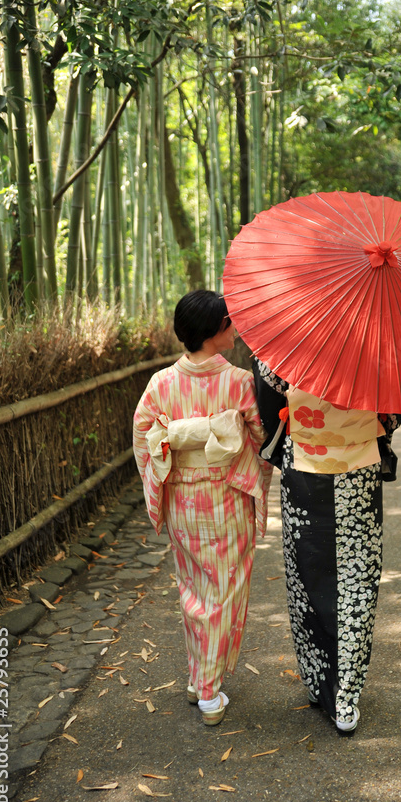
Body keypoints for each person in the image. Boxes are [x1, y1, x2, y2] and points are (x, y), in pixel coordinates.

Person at [133, 291, 271, 725]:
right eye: (229, 322)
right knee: (222, 594)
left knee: (194, 590)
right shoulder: (238, 381)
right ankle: (210, 694)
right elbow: (260, 437)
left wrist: (172, 458)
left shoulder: (161, 384)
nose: (234, 329)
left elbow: (145, 440)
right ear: (214, 332)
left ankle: (198, 676)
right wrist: (232, 442)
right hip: (225, 497)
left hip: (182, 503)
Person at [253, 359, 401, 734]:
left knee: (308, 571)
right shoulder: (383, 345)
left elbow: (268, 407)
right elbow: (394, 412)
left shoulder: (288, 344)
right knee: (357, 575)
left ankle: (320, 682)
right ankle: (346, 695)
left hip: (303, 463)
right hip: (360, 467)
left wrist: (290, 428)